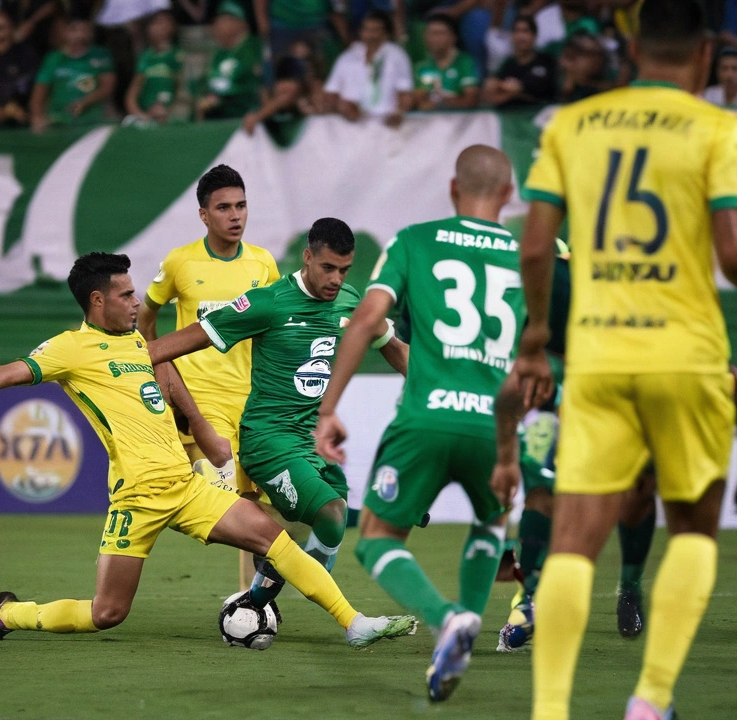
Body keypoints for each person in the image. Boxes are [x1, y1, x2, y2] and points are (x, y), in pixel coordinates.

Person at [0, 252, 418, 649]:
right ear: (97, 300)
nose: (137, 302)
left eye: (136, 293)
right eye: (127, 294)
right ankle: (10, 614)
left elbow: (166, 375)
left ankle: (353, 623)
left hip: (185, 486)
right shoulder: (69, 349)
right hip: (136, 498)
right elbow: (2, 376)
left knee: (273, 539)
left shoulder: (140, 343)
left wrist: (202, 429)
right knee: (108, 614)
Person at [512, 0, 737, 716]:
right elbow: (734, 249)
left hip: (597, 357)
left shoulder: (570, 125)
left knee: (572, 539)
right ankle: (650, 700)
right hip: (686, 355)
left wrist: (538, 334)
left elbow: (536, 247)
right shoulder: (719, 126)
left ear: (631, 54)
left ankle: (550, 709)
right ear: (701, 59)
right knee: (692, 526)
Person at [314, 146, 521, 702]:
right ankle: (466, 631)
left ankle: (446, 619)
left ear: (453, 189)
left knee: (378, 537)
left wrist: (329, 409)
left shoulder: (413, 241)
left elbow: (366, 320)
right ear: (508, 194)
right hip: (494, 424)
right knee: (491, 523)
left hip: (425, 419)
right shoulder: (532, 259)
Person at [491, 253, 737, 650]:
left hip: (633, 408)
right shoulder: (564, 295)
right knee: (545, 483)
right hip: (574, 398)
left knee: (639, 493)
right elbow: (514, 383)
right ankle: (533, 596)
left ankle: (630, 585)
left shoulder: (686, 352)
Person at [148, 218, 409, 626]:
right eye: (328, 268)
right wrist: (129, 359)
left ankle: (253, 603)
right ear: (307, 258)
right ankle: (345, 621)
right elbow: (188, 337)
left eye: (344, 270)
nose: (336, 279)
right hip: (267, 439)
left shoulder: (352, 302)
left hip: (311, 442)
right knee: (332, 513)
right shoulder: (268, 302)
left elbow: (392, 348)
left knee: (332, 527)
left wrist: (438, 385)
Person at [138, 165, 282, 590]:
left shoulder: (262, 262)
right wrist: (162, 368)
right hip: (201, 403)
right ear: (204, 215)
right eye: (223, 208)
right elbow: (146, 320)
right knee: (225, 502)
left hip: (252, 403)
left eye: (241, 206)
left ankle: (256, 601)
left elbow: (275, 324)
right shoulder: (180, 262)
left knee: (257, 505)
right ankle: (249, 602)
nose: (235, 216)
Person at [323, 9, 413, 126]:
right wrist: (341, 107)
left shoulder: (397, 56)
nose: (370, 34)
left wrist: (399, 112)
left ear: (386, 34)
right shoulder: (347, 57)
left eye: (375, 30)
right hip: (351, 124)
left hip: (387, 122)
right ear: (360, 32)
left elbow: (405, 92)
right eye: (366, 29)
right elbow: (331, 92)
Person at [30, 16, 116, 131]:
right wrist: (38, 117)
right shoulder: (53, 58)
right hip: (58, 121)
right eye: (74, 29)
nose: (80, 35)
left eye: (85, 30)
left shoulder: (101, 55)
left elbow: (107, 87)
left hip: (93, 122)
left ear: (92, 32)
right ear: (65, 31)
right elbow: (39, 92)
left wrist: (84, 102)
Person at [196, 2, 265, 121]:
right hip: (217, 112)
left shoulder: (253, 47)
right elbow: (208, 82)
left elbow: (249, 81)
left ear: (240, 23)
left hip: (243, 113)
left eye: (223, 21)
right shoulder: (219, 53)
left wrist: (216, 98)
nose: (216, 26)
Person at [483, 15, 558, 108]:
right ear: (511, 36)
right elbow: (492, 95)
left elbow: (547, 92)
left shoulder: (547, 62)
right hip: (510, 117)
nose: (521, 36)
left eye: (525, 31)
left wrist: (514, 91)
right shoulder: (506, 65)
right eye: (517, 31)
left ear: (534, 35)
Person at [125, 10, 183, 125]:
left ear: (173, 28)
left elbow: (182, 91)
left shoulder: (178, 56)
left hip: (171, 116)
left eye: (165, 23)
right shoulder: (145, 57)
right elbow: (131, 96)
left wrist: (168, 112)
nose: (159, 27)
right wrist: (142, 115)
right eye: (156, 23)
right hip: (147, 116)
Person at [413, 13, 482, 110]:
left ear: (453, 37)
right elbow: (418, 101)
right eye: (430, 33)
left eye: (439, 33)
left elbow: (471, 100)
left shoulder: (465, 62)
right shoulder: (421, 67)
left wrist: (442, 102)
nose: (434, 38)